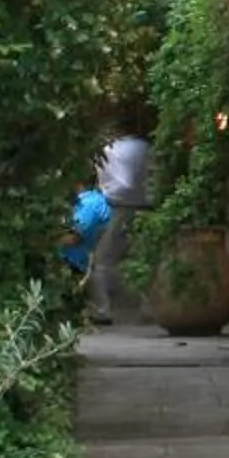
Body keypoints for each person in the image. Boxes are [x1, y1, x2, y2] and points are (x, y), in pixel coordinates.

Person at [87, 132, 152, 323]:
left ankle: (102, 310)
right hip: (146, 208)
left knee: (100, 260)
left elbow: (121, 183)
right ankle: (148, 306)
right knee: (143, 257)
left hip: (116, 206)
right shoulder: (145, 147)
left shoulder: (110, 149)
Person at [59, 187, 112, 278]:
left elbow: (74, 238)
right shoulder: (91, 199)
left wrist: (43, 240)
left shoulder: (89, 203)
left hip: (76, 267)